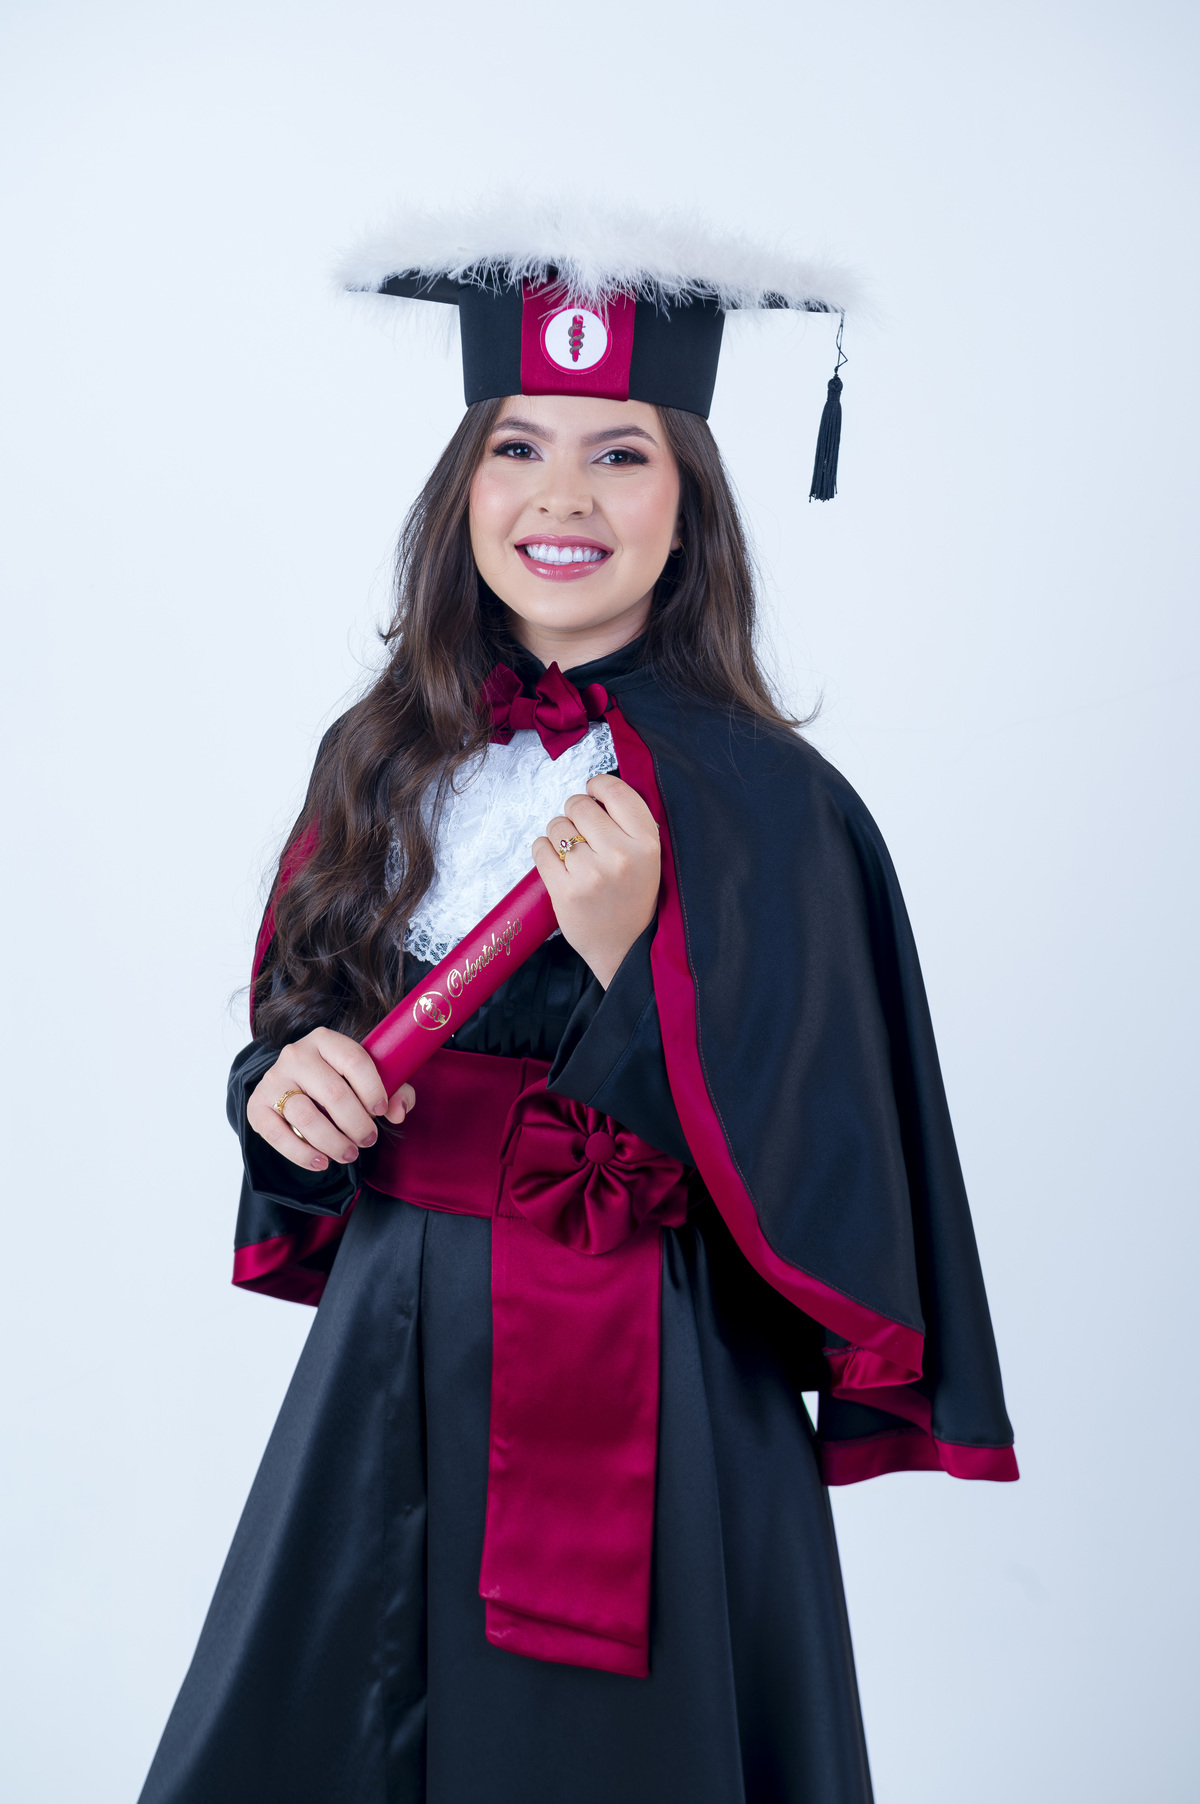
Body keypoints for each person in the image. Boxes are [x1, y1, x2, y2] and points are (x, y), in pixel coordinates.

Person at [139, 208, 1016, 1804]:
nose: (561, 497)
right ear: (461, 491)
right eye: (518, 449)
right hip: (393, 1352)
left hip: (656, 1377)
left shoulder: (780, 806)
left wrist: (631, 963)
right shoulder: (380, 757)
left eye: (621, 454)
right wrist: (281, 1091)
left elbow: (824, 1167)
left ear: (690, 508)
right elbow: (298, 1031)